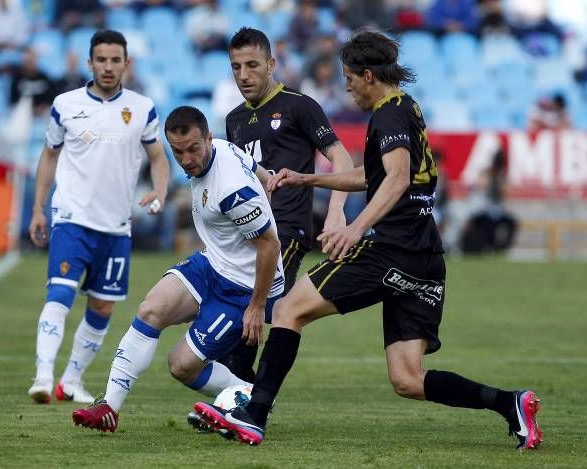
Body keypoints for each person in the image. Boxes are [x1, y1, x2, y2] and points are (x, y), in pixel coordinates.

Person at [193, 31, 543, 450]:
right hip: (424, 256)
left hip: (390, 249)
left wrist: (355, 228)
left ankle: (254, 415)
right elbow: (371, 175)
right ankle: (511, 404)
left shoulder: (389, 114)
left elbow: (394, 180)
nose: (346, 87)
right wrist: (309, 178)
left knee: (287, 309)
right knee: (407, 379)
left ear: (369, 75)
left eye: (349, 78)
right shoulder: (406, 108)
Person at [71, 106, 283, 432]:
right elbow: (256, 167)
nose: (186, 159)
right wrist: (268, 179)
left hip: (242, 284)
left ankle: (254, 399)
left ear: (208, 139)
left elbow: (269, 246)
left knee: (181, 366)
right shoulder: (225, 146)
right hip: (213, 262)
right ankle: (109, 409)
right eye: (178, 151)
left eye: (193, 149)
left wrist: (256, 306)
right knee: (151, 308)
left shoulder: (232, 192)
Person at [26, 30, 170, 404]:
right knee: (60, 294)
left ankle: (71, 379)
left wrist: (161, 189)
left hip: (117, 227)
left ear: (127, 64)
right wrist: (38, 209)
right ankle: (43, 376)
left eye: (115, 60)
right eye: (101, 60)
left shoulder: (143, 108)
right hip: (72, 217)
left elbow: (157, 157)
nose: (108, 66)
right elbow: (49, 156)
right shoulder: (65, 104)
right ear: (90, 63)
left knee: (102, 307)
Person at [210, 27, 353, 393]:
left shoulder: (298, 106)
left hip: (286, 231)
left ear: (271, 63)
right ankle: (247, 397)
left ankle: (244, 399)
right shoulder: (234, 120)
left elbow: (340, 156)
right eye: (236, 67)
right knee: (244, 315)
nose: (244, 75)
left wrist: (337, 211)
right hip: (244, 234)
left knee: (250, 310)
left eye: (252, 65)